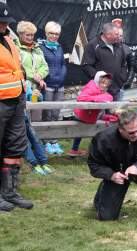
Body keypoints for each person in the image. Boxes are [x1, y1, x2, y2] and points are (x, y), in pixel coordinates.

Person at [0, 1, 34, 212]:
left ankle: (9, 191)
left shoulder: (9, 41)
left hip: (16, 101)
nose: (4, 25)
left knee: (14, 147)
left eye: (5, 22)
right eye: (1, 22)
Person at [67, 71, 113, 157]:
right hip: (81, 115)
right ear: (97, 80)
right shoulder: (91, 87)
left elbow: (110, 97)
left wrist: (100, 98)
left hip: (92, 116)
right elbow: (80, 98)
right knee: (81, 130)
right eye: (102, 82)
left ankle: (78, 150)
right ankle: (75, 150)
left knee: (110, 121)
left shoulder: (101, 90)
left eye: (106, 83)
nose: (104, 85)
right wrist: (98, 98)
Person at [39, 21, 66, 154]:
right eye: (51, 33)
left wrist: (62, 75)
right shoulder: (40, 47)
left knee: (56, 114)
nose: (54, 36)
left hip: (59, 86)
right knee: (47, 114)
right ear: (46, 33)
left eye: (57, 34)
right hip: (48, 86)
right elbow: (40, 66)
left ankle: (54, 141)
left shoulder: (59, 47)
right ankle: (46, 141)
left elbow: (63, 64)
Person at [81, 22, 128, 100]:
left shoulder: (119, 45)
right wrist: (101, 79)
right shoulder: (92, 45)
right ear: (108, 35)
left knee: (116, 112)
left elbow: (123, 64)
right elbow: (86, 66)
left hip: (117, 88)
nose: (119, 36)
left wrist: (122, 78)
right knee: (102, 112)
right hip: (100, 91)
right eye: (116, 34)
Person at [16, 20, 49, 124]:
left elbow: (45, 66)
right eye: (27, 35)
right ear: (20, 34)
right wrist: (33, 76)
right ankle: (25, 139)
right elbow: (17, 68)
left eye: (32, 35)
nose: (30, 38)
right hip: (23, 90)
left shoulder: (37, 49)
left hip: (36, 90)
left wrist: (40, 75)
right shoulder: (16, 49)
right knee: (23, 118)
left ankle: (36, 138)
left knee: (34, 116)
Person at [111, 18, 135, 101]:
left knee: (117, 110)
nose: (119, 37)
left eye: (121, 35)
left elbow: (132, 66)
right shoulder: (105, 47)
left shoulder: (126, 49)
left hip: (119, 86)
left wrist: (129, 80)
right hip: (105, 85)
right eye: (117, 35)